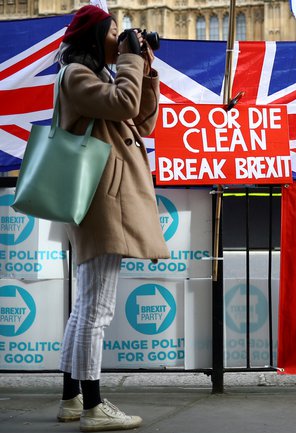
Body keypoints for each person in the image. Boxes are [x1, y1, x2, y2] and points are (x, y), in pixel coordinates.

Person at [54, 5, 169, 432]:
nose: (120, 39)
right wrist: (130, 60)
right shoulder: (75, 76)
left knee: (85, 306)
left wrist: (146, 68)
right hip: (102, 202)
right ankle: (94, 407)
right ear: (96, 35)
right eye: (115, 32)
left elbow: (142, 119)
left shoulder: (101, 75)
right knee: (97, 310)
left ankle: (71, 398)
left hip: (106, 198)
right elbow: (123, 105)